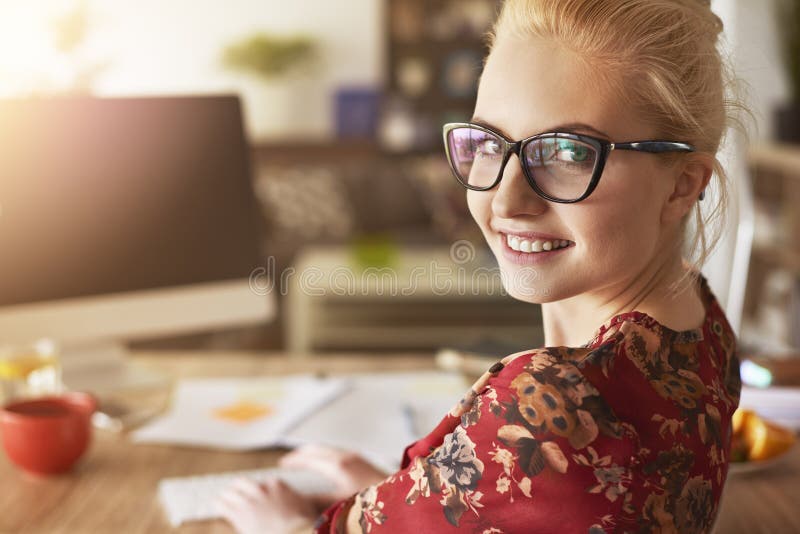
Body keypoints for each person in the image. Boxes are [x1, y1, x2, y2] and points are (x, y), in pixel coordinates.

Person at [216, 0, 744, 532]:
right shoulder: (701, 322)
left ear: (683, 185)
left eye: (567, 152)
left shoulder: (552, 404)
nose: (505, 200)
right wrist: (425, 493)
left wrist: (281, 525)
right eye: (488, 143)